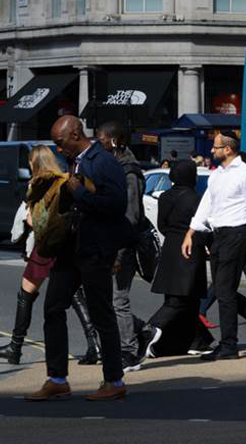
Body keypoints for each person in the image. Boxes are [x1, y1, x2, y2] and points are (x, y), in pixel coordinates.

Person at [27, 116, 128, 402]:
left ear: (74, 134)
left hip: (95, 249)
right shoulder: (75, 162)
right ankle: (57, 378)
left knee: (102, 314)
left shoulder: (103, 161)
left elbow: (117, 205)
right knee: (53, 307)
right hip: (71, 248)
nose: (58, 150)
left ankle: (114, 380)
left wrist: (79, 193)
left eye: (60, 143)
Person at [0, 146, 101, 366]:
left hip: (46, 245)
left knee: (26, 294)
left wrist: (27, 218)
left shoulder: (38, 185)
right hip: (66, 245)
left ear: (35, 164)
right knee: (76, 295)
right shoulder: (65, 180)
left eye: (30, 163)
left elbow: (35, 221)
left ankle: (15, 347)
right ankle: (94, 345)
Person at [183, 132, 246, 361]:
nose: (211, 151)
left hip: (237, 234)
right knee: (221, 289)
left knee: (225, 292)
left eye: (216, 147)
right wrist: (192, 231)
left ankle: (229, 346)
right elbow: (207, 203)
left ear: (228, 149)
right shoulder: (217, 175)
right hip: (218, 235)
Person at [143, 159, 212, 358]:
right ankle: (149, 330)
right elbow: (202, 227)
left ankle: (195, 341)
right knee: (180, 301)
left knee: (186, 302)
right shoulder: (196, 199)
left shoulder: (164, 197)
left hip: (170, 248)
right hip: (189, 250)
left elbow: (162, 225)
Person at [95, 121, 148, 373]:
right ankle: (144, 331)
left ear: (114, 141)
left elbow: (130, 215)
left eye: (102, 139)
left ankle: (129, 350)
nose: (98, 142)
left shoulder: (129, 171)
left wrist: (117, 251)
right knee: (108, 298)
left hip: (122, 246)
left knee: (119, 299)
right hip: (110, 243)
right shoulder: (115, 166)